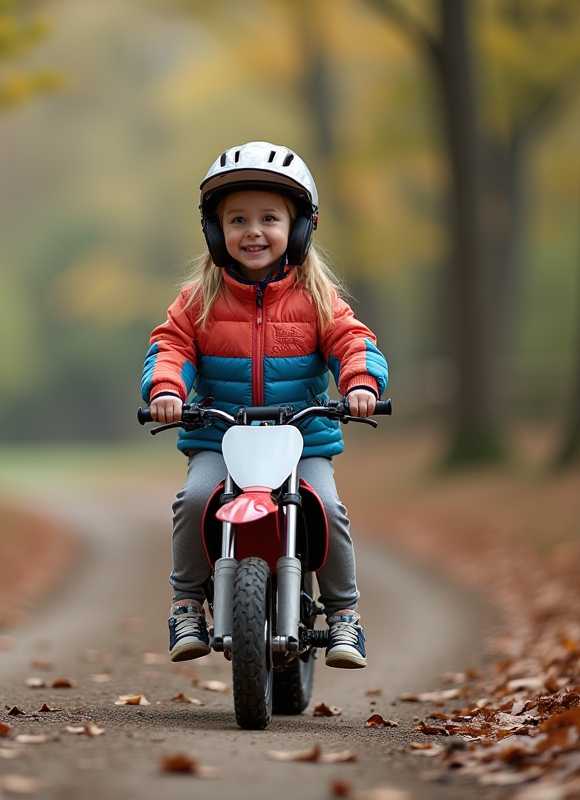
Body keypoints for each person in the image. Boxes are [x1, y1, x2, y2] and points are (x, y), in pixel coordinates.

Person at [141, 141, 388, 668]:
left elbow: (352, 341)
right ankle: (187, 603)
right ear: (215, 231)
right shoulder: (197, 299)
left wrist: (361, 381)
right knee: (194, 498)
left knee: (328, 507)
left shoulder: (319, 298)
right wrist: (166, 390)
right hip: (219, 436)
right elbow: (172, 348)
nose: (253, 231)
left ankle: (345, 615)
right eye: (237, 220)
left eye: (270, 218)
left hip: (303, 439)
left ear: (299, 228)